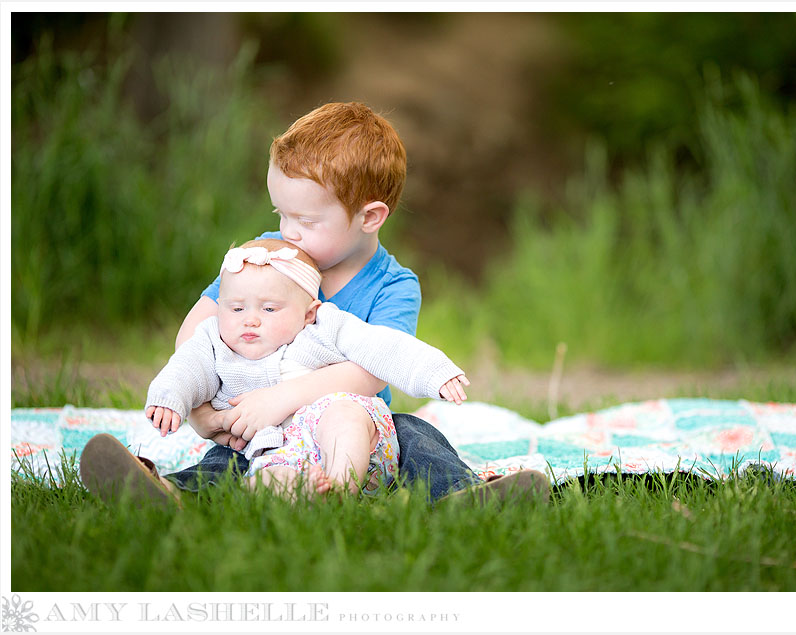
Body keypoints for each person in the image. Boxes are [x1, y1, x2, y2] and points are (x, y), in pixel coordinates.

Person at [82, 102, 548, 505]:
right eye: (280, 213)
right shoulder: (268, 256)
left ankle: (461, 496)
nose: (288, 231)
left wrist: (280, 398)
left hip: (354, 428)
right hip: (261, 427)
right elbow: (200, 327)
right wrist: (204, 410)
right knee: (229, 455)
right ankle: (170, 492)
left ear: (370, 216)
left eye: (304, 218)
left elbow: (371, 370)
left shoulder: (393, 285)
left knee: (417, 434)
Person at [141, 238, 468, 499]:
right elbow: (187, 366)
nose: (250, 319)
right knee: (227, 464)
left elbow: (381, 346)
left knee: (410, 434)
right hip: (270, 450)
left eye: (269, 308)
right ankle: (171, 492)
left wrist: (434, 372)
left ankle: (457, 491)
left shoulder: (323, 329)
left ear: (309, 312)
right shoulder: (216, 340)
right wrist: (170, 399)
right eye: (236, 308)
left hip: (352, 440)